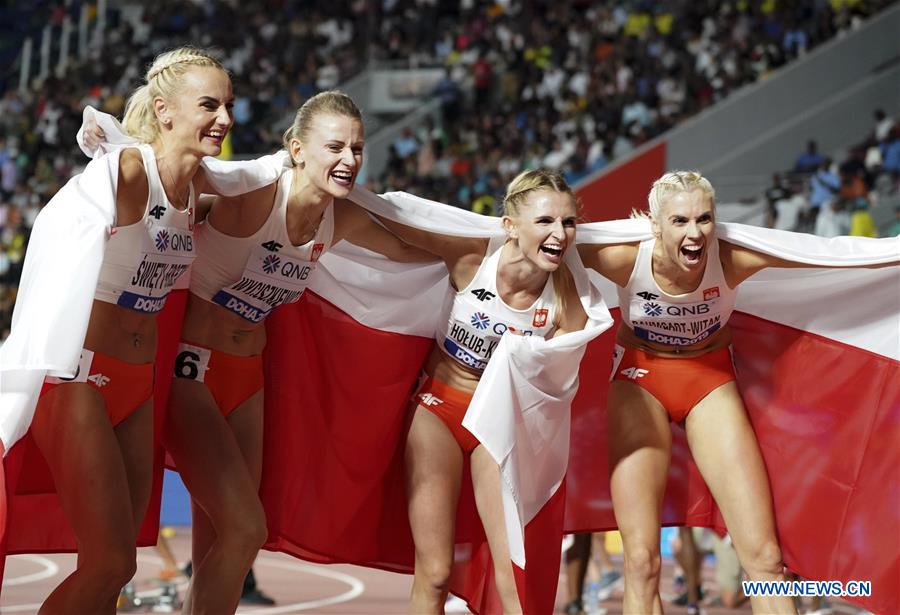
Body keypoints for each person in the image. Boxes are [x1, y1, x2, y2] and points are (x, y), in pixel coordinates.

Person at [163, 90, 431, 614]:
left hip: (248, 379)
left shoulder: (339, 218)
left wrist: (494, 251)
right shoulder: (256, 197)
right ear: (297, 148)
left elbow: (408, 250)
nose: (349, 159)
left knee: (222, 543)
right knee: (246, 530)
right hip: (190, 373)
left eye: (357, 148)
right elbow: (184, 180)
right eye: (335, 147)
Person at [575, 169, 889, 615]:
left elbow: (826, 256)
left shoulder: (733, 257)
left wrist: (893, 254)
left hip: (709, 381)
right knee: (641, 562)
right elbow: (546, 243)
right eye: (680, 221)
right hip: (640, 379)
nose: (695, 233)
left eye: (704, 219)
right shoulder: (625, 258)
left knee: (764, 557)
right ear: (655, 225)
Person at [20, 46, 232, 614]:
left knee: (121, 566)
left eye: (228, 105)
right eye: (208, 105)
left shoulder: (199, 190)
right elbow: (67, 219)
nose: (225, 119)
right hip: (79, 381)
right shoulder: (131, 171)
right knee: (107, 563)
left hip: (138, 385)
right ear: (164, 110)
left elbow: (262, 180)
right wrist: (107, 148)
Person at [373, 169, 589, 614]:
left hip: (498, 428)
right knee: (434, 573)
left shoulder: (566, 298)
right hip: (437, 409)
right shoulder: (472, 257)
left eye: (568, 222)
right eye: (545, 221)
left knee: (512, 580)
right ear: (510, 225)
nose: (559, 233)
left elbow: (560, 386)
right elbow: (395, 222)